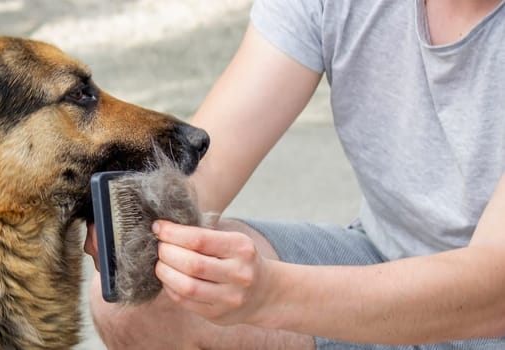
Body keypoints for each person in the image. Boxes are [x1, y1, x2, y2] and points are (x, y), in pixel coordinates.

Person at [84, 0, 505, 349]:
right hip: (381, 254)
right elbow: (203, 175)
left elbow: (493, 290)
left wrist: (271, 294)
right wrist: (140, 224)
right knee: (142, 298)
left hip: (489, 319)